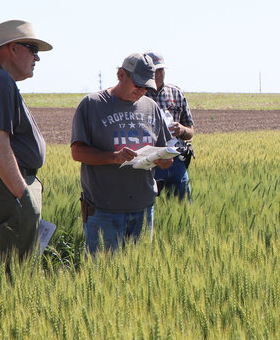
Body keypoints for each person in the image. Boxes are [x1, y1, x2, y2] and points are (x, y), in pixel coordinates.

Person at [0, 20, 52, 263]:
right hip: (8, 188)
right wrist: (23, 195)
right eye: (32, 50)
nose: (37, 58)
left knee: (13, 268)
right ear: (13, 49)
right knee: (17, 272)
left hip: (5, 187)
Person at [71, 53, 173, 255]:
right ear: (120, 75)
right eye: (138, 84)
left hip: (144, 208)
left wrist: (164, 161)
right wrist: (113, 157)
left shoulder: (151, 107)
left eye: (146, 87)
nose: (141, 91)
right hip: (103, 211)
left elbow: (164, 150)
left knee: (140, 275)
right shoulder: (92, 104)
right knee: (102, 277)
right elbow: (77, 152)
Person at [144, 51, 195, 202]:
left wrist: (182, 130)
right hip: (149, 163)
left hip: (176, 161)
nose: (158, 74)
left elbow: (190, 131)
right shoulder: (138, 95)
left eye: (161, 70)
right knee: (149, 209)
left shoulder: (176, 94)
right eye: (154, 70)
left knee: (183, 209)